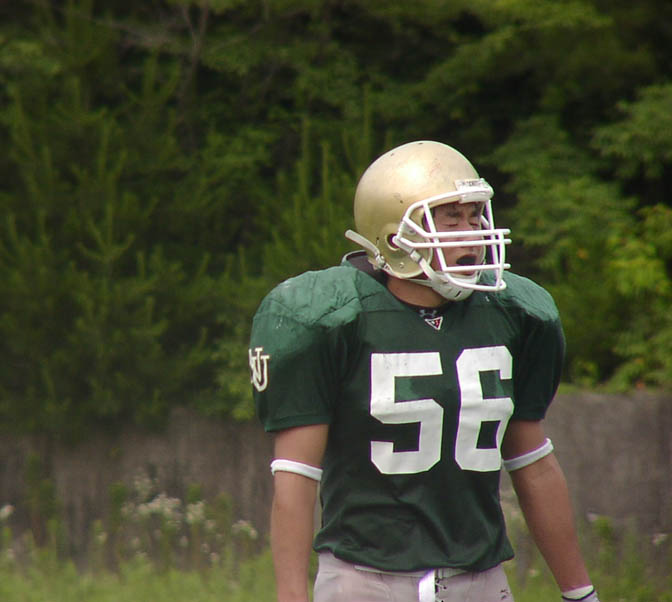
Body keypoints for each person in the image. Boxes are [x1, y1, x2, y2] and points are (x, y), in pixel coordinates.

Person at [249, 141, 599, 602]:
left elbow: (533, 464)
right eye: (450, 219)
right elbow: (295, 476)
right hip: (365, 580)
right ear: (395, 238)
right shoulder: (333, 317)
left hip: (481, 578)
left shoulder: (515, 314)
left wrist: (580, 593)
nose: (470, 233)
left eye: (475, 216)